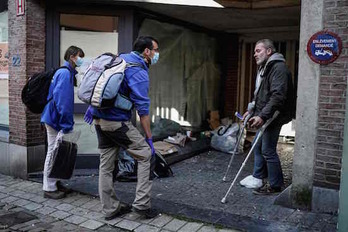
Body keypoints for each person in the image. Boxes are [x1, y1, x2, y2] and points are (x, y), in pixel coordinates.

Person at [84, 36, 159, 220]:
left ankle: (110, 209)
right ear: (147, 51)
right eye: (156, 50)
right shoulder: (138, 70)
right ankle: (142, 206)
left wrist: (91, 109)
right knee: (146, 156)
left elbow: (100, 85)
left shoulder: (120, 59)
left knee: (106, 165)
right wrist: (149, 138)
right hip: (117, 123)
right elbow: (143, 109)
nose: (157, 54)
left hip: (99, 121)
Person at [239, 39, 295, 195]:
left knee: (268, 150)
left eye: (258, 51)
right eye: (254, 51)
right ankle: (258, 177)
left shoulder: (278, 68)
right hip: (267, 113)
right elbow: (260, 96)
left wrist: (262, 116)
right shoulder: (265, 68)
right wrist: (251, 111)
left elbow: (278, 96)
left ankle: (275, 185)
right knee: (258, 146)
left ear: (269, 51)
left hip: (275, 115)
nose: (254, 54)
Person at [41, 46, 85, 199]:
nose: (81, 60)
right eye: (80, 56)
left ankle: (55, 182)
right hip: (55, 119)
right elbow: (63, 101)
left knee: (57, 152)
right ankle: (49, 188)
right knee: (53, 152)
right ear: (72, 57)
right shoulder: (65, 73)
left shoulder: (64, 72)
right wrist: (66, 124)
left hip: (52, 116)